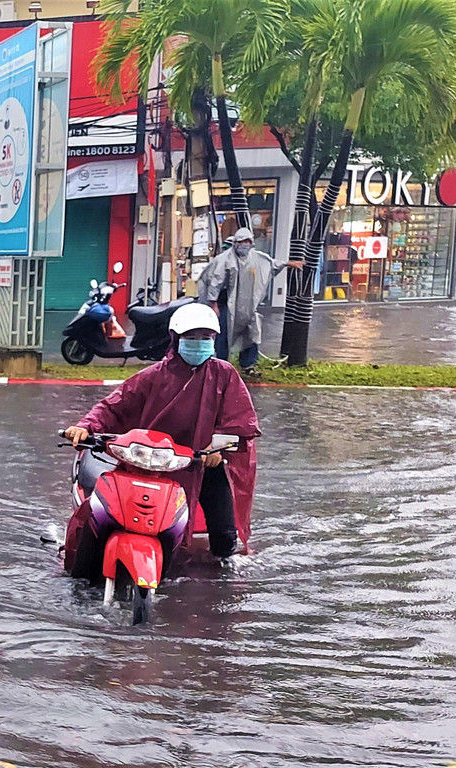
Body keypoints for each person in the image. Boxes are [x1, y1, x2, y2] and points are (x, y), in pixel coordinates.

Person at [63, 303, 260, 560]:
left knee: (225, 537)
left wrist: (216, 449)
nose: (199, 343)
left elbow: (240, 421)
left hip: (203, 463)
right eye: (191, 338)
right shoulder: (153, 376)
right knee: (106, 516)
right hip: (153, 465)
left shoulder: (225, 375)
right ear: (176, 339)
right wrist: (84, 426)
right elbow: (113, 406)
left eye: (206, 338)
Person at [198, 227, 304, 376]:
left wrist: (288, 264)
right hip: (226, 304)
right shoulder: (224, 260)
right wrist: (213, 304)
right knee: (223, 335)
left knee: (252, 334)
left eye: (247, 241)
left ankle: (248, 364)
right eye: (241, 241)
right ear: (235, 243)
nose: (244, 244)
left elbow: (271, 264)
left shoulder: (257, 258)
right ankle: (221, 365)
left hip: (247, 306)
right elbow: (215, 282)